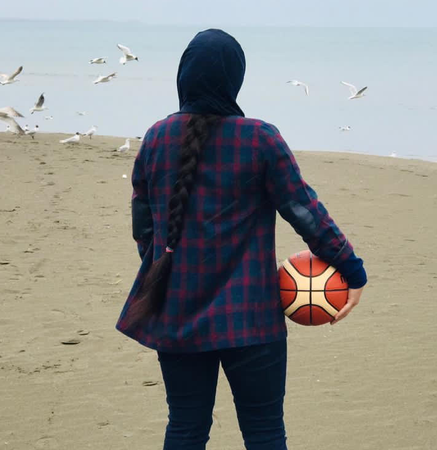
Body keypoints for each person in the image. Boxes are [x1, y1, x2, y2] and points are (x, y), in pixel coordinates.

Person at [116, 29, 367, 450]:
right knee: (265, 432)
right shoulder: (260, 138)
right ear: (236, 79)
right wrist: (352, 270)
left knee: (185, 428)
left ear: (184, 77)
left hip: (176, 312)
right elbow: (305, 212)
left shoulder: (157, 138)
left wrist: (164, 262)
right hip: (251, 319)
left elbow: (144, 225)